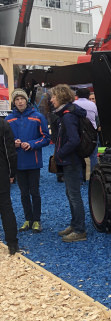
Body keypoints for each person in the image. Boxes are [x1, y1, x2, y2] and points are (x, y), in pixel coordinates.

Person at [5, 88, 50, 233]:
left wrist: (31, 144)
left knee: (34, 192)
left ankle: (36, 220)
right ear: (14, 102)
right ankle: (27, 219)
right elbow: (4, 140)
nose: (20, 102)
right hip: (17, 162)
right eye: (17, 99)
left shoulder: (38, 117)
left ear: (26, 100)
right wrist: (14, 143)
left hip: (33, 160)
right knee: (23, 193)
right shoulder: (8, 119)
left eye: (22, 99)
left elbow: (46, 138)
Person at [51, 84, 88, 242]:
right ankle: (75, 224)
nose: (51, 99)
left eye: (53, 96)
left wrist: (60, 153)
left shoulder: (67, 115)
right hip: (70, 160)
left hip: (71, 160)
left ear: (60, 97)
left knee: (74, 195)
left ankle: (79, 230)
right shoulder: (66, 113)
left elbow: (74, 140)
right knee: (70, 193)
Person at [0, 118, 19, 254]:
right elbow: (9, 151)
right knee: (6, 205)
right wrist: (12, 172)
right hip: (1, 169)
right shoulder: (3, 124)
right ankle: (12, 244)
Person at [75, 87, 99, 175]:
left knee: (78, 155)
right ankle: (94, 176)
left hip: (79, 132)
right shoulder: (92, 105)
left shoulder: (74, 104)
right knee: (93, 155)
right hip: (92, 132)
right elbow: (96, 115)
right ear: (88, 95)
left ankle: (81, 177)